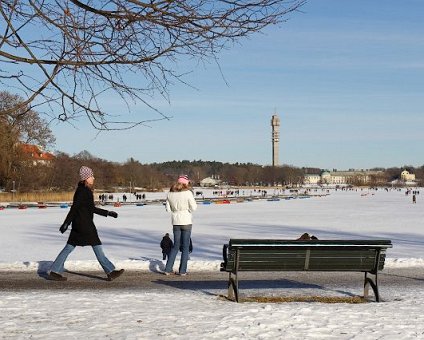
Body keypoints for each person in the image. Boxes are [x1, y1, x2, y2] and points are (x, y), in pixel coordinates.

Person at [48, 166, 124, 281]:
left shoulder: (84, 190)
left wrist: (108, 212)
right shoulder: (83, 191)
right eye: (91, 176)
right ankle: (110, 271)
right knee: (96, 245)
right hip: (85, 226)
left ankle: (55, 270)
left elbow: (91, 208)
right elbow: (74, 208)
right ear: (86, 178)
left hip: (79, 225)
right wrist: (66, 223)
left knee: (69, 247)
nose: (93, 178)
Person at [163, 175, 197, 276]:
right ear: (185, 184)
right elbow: (194, 207)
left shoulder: (170, 194)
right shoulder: (188, 193)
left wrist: (176, 211)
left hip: (175, 222)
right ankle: (182, 270)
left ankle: (168, 269)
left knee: (176, 246)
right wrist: (187, 211)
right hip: (186, 221)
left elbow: (168, 209)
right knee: (185, 246)